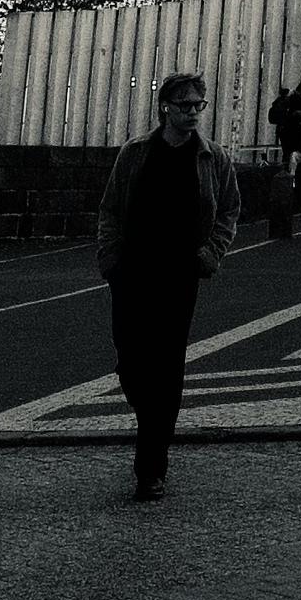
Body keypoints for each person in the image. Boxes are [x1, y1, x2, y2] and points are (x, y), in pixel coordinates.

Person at [95, 70, 241, 501]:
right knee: (131, 358)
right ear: (165, 108)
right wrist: (110, 258)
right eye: (185, 105)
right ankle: (150, 419)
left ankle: (150, 468)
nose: (193, 112)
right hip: (132, 270)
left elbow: (229, 211)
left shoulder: (213, 158)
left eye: (199, 105)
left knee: (168, 367)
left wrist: (209, 254)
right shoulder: (136, 153)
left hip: (180, 274)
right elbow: (110, 208)